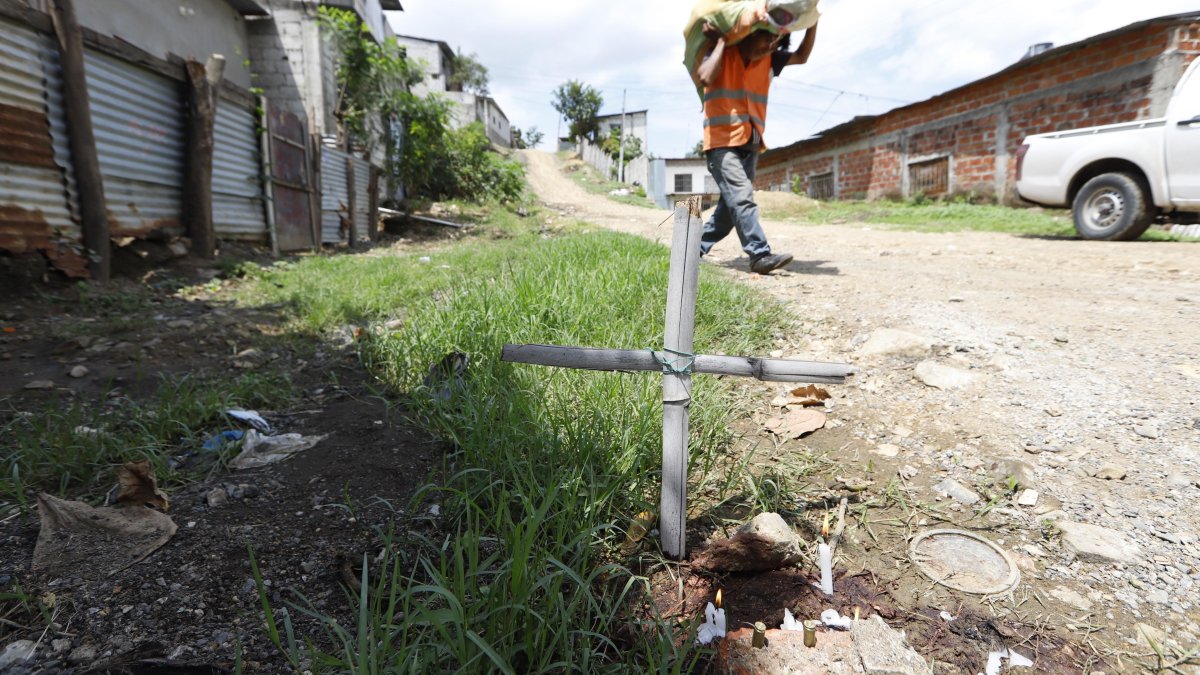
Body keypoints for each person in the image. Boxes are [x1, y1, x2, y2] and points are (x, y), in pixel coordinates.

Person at [696, 17, 818, 274]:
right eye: (766, 39)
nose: (770, 46)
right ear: (749, 34)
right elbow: (705, 76)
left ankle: (692, 247)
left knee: (729, 212)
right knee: (741, 197)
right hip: (721, 144)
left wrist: (812, 22)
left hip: (750, 144)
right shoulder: (723, 54)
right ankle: (759, 255)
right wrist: (720, 41)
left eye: (775, 42)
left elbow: (802, 56)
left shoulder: (770, 59)